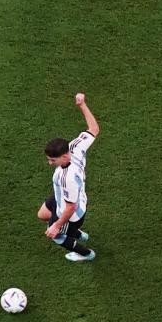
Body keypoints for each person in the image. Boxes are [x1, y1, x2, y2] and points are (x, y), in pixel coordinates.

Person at [37, 93, 99, 262]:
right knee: (42, 214)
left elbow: (70, 208)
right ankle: (78, 234)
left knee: (55, 235)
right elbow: (94, 129)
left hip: (70, 212)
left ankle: (86, 254)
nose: (50, 163)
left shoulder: (68, 178)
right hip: (63, 197)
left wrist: (57, 225)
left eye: (52, 160)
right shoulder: (75, 147)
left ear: (64, 157)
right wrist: (82, 105)